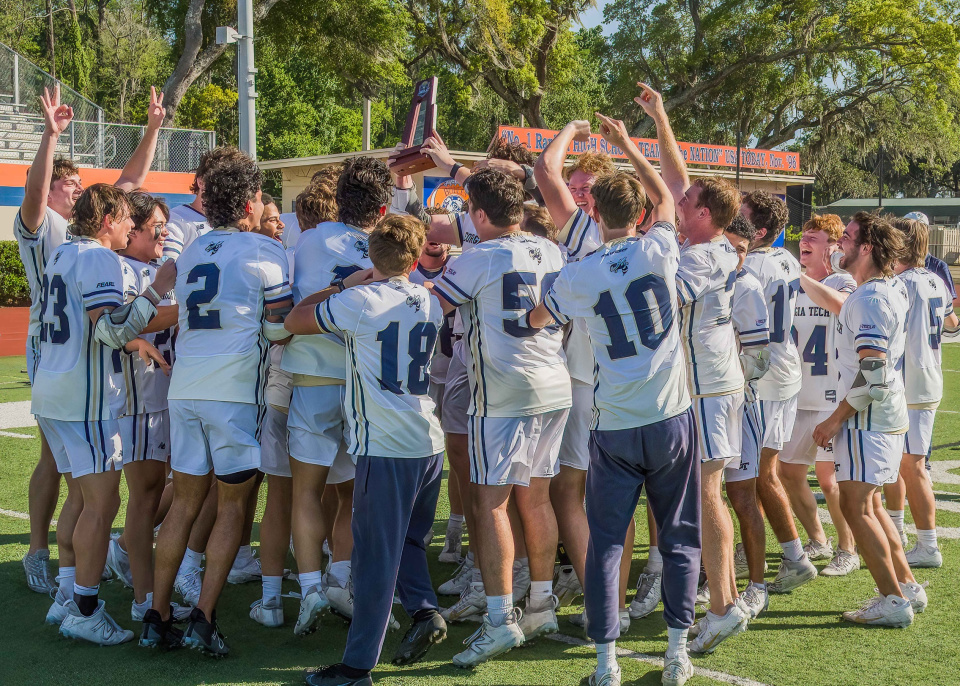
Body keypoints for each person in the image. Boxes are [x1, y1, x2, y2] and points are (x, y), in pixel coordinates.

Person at [526, 112, 699, 686]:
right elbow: (670, 196)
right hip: (671, 416)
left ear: (593, 212)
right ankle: (677, 653)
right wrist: (628, 141)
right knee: (676, 536)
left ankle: (606, 663)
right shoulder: (659, 249)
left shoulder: (580, 272)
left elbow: (538, 316)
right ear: (642, 213)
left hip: (615, 422)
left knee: (605, 544)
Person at [18, 85, 166, 595]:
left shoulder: (78, 245)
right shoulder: (48, 230)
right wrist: (49, 137)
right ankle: (48, 560)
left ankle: (69, 580)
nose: (78, 189)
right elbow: (35, 194)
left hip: (71, 354)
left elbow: (127, 185)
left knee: (82, 483)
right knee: (66, 468)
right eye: (70, 184)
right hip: (66, 356)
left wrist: (150, 131)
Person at [287, 214, 448, 686]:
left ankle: (357, 666)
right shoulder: (430, 300)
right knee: (411, 543)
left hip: (387, 444)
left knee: (376, 558)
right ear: (415, 257)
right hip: (428, 439)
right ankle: (423, 612)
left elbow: (295, 320)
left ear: (370, 255)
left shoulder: (357, 300)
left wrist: (342, 287)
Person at [142, 152, 292, 653]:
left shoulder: (192, 249)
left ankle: (155, 615)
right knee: (232, 505)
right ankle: (204, 617)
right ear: (250, 202)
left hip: (186, 386)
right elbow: (279, 326)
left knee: (184, 502)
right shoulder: (267, 251)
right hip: (233, 393)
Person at [430, 168, 571, 667]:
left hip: (505, 391)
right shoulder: (550, 249)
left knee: (490, 501)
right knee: (535, 498)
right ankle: (539, 602)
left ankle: (498, 618)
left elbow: (431, 308)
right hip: (555, 382)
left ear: (480, 215)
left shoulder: (477, 257)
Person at [36, 183, 177, 645]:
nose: (130, 227)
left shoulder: (62, 254)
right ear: (107, 220)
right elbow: (112, 330)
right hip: (86, 398)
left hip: (53, 391)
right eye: (125, 219)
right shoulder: (99, 258)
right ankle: (84, 607)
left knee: (79, 499)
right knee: (102, 503)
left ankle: (65, 595)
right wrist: (157, 291)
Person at [639, 83, 749, 652]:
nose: (675, 204)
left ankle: (723, 604)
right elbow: (678, 177)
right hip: (709, 383)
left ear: (704, 215)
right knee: (705, 495)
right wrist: (660, 118)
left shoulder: (705, 255)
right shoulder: (708, 234)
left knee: (708, 496)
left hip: (707, 388)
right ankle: (723, 598)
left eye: (686, 205)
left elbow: (658, 297)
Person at [280, 157, 392, 634]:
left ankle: (308, 588)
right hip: (365, 383)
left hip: (312, 374)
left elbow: (287, 302)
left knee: (306, 490)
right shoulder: (386, 247)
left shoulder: (307, 239)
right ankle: (340, 583)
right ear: (383, 208)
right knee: (352, 495)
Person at [806, 212, 926, 627]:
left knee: (856, 507)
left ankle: (892, 599)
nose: (841, 243)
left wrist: (835, 419)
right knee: (871, 505)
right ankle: (906, 585)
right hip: (884, 415)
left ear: (868, 247)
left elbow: (872, 373)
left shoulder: (870, 297)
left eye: (848, 237)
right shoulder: (883, 289)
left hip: (867, 418)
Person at [534, 120, 632, 624]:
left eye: (586, 190)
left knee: (570, 488)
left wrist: (571, 128)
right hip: (628, 380)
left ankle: (604, 598)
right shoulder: (651, 245)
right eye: (574, 190)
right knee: (612, 491)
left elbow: (543, 170)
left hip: (589, 376)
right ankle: (613, 593)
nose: (576, 196)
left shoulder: (586, 235)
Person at [249, 178, 341, 628]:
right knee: (340, 494)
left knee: (282, 497)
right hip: (329, 377)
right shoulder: (348, 253)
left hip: (283, 378)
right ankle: (337, 582)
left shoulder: (284, 256)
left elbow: (276, 325)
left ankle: (270, 601)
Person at [106, 192, 192, 622]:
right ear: (131, 229)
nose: (164, 232)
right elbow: (126, 322)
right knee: (143, 499)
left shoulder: (153, 269)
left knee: (159, 492)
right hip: (138, 398)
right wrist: (187, 310)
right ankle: (143, 598)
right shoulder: (122, 268)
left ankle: (140, 580)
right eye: (156, 225)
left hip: (159, 396)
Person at [739, 191, 821, 593]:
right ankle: (790, 554)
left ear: (760, 229)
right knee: (758, 474)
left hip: (764, 375)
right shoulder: (786, 257)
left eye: (740, 217)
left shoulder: (751, 264)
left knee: (754, 476)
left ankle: (792, 556)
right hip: (783, 369)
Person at [780, 215, 859, 577]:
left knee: (830, 480)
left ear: (835, 245)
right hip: (798, 396)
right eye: (803, 237)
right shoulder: (794, 284)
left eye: (814, 238)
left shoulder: (843, 280)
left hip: (830, 399)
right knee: (788, 472)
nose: (804, 243)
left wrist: (802, 279)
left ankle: (848, 548)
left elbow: (843, 305)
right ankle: (818, 538)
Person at [890, 217, 956, 568]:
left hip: (911, 384)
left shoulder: (901, 285)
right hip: (925, 379)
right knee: (900, 464)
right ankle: (897, 531)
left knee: (913, 466)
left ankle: (928, 545)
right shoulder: (935, 280)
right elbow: (949, 323)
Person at [721, 214, 772, 619]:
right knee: (702, 497)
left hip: (738, 405)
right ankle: (714, 579)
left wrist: (733, 381)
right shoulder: (702, 275)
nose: (735, 255)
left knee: (742, 497)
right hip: (698, 404)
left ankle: (757, 583)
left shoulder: (748, 286)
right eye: (729, 246)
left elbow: (760, 357)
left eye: (741, 249)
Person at [163, 146, 247, 260]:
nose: (228, 189)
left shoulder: (237, 222)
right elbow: (166, 269)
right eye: (222, 182)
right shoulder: (175, 220)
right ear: (201, 182)